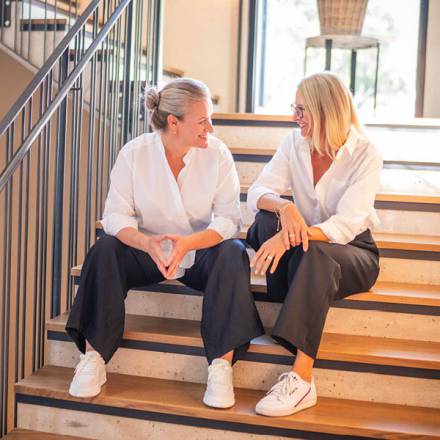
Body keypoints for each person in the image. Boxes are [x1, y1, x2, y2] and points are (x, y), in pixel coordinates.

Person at [66, 78, 264, 408]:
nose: (210, 128)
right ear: (174, 123)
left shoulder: (218, 155)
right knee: (104, 248)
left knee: (233, 252)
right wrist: (145, 244)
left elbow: (229, 219)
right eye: (203, 121)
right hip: (148, 254)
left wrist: (189, 243)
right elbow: (115, 216)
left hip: (199, 255)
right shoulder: (134, 154)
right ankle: (94, 357)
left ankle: (221, 364)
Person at [246, 72, 382, 417]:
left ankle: (302, 379)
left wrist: (287, 236)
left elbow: (347, 224)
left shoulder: (365, 154)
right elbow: (258, 191)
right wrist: (286, 208)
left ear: (324, 111)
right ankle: (293, 288)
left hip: (353, 250)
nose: (295, 117)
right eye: (295, 109)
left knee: (319, 254)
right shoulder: (294, 143)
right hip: (307, 244)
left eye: (302, 110)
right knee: (265, 218)